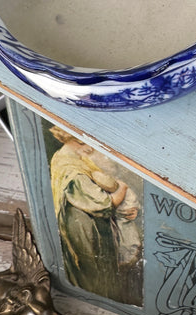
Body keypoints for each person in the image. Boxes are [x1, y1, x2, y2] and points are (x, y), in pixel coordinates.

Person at [48, 127, 142, 305]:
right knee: (96, 272)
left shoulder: (67, 159)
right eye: (87, 143)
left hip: (86, 223)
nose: (90, 149)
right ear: (78, 139)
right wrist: (123, 188)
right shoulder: (73, 171)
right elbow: (105, 204)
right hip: (86, 229)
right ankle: (103, 302)